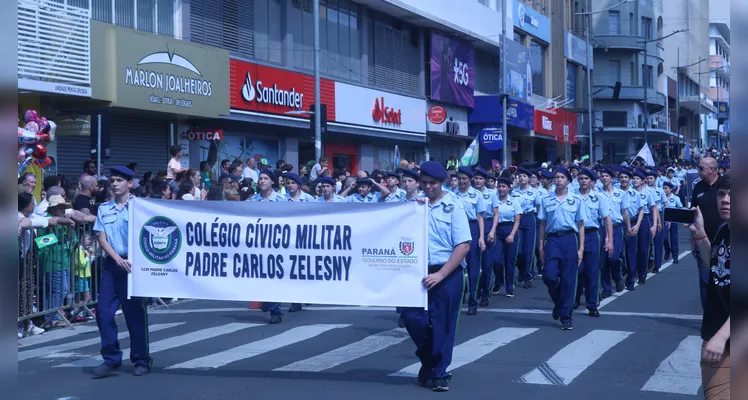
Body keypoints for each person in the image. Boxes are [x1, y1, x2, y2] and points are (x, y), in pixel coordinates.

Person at [400, 161, 470, 392]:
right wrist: (413, 208)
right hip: (416, 271)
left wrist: (441, 274)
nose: (428, 187)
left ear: (442, 183)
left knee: (443, 325)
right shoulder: (414, 204)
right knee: (411, 317)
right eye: (425, 183)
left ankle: (439, 373)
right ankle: (429, 359)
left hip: (447, 272)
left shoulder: (454, 206)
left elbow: (463, 245)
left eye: (433, 183)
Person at [92, 166, 152, 377]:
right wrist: (117, 259)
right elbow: (101, 238)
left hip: (134, 266)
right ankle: (111, 358)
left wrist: (132, 260)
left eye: (119, 180)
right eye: (112, 180)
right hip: (112, 265)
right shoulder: (104, 208)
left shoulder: (140, 207)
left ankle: (141, 359)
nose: (114, 184)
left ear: (130, 183)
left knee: (135, 315)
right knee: (104, 313)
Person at [688, 174, 730, 400]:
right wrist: (701, 234)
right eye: (722, 194)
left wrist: (722, 336)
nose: (726, 199)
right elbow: (714, 265)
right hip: (717, 337)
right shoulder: (724, 230)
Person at [538, 167, 584, 330]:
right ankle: (559, 302)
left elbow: (580, 225)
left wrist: (581, 249)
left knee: (568, 280)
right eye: (556, 177)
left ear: (568, 181)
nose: (558, 180)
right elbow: (542, 224)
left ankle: (566, 317)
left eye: (562, 177)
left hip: (569, 239)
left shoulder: (576, 199)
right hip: (552, 240)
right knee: (549, 276)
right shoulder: (546, 199)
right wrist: (540, 246)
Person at [249, 169, 287, 323]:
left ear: (272, 181)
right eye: (260, 178)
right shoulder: (253, 201)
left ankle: (275, 310)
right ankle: (267, 301)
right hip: (258, 245)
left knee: (274, 276)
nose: (262, 181)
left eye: (265, 178)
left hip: (276, 245)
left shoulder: (282, 200)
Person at [574, 169, 613, 317]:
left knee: (592, 270)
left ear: (591, 181)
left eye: (586, 178)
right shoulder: (572, 197)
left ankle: (592, 304)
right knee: (577, 270)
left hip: (592, 234)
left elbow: (607, 218)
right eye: (581, 178)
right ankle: (575, 297)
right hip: (575, 235)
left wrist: (609, 240)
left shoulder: (599, 197)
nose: (583, 181)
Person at [453, 166, 486, 315]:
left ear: (470, 179)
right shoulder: (452, 195)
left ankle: (473, 300)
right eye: (459, 178)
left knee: (473, 268)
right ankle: (458, 300)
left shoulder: (476, 195)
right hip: (457, 230)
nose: (462, 181)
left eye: (464, 178)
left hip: (472, 229)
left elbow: (480, 217)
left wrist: (481, 237)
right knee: (457, 267)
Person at [598, 167, 631, 298]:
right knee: (603, 260)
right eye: (602, 176)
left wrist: (628, 228)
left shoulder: (621, 194)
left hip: (617, 227)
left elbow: (625, 212)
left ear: (612, 178)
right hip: (602, 228)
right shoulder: (597, 193)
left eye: (607, 176)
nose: (604, 178)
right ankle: (606, 288)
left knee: (613, 257)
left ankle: (617, 277)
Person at [490, 177, 521, 298]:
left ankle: (509, 286)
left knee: (510, 260)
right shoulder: (494, 200)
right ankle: (498, 282)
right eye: (500, 186)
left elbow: (517, 221)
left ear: (508, 188)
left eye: (504, 187)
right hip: (497, 230)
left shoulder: (514, 201)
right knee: (496, 260)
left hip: (510, 229)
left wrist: (512, 234)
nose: (501, 189)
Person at [511, 168, 540, 289]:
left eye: (524, 176)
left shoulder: (534, 192)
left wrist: (537, 221)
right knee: (519, 250)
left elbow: (538, 206)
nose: (522, 178)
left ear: (529, 178)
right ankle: (521, 270)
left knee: (529, 250)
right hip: (518, 219)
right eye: (520, 176)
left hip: (530, 218)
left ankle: (528, 276)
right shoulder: (513, 192)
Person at [662, 181, 682, 263]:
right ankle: (667, 250)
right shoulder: (661, 198)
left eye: (666, 188)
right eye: (663, 188)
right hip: (664, 221)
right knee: (664, 238)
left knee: (674, 239)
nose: (664, 190)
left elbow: (680, 208)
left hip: (673, 221)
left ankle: (675, 256)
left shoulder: (675, 198)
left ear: (671, 189)